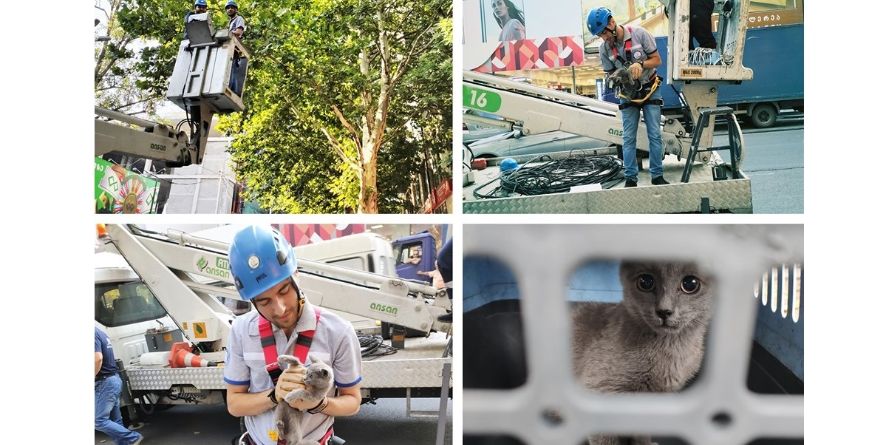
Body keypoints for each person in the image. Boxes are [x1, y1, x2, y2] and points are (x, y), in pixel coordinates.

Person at [225, 226, 362, 445]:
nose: (279, 309)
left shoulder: (338, 331)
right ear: (252, 301)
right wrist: (274, 396)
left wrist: (318, 403)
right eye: (264, 301)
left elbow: (353, 401)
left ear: (295, 275)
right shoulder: (241, 331)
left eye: (283, 291)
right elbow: (234, 403)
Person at [587, 7, 669, 187]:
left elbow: (657, 60)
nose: (604, 38)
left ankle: (657, 176)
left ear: (611, 22)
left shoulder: (640, 34)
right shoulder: (604, 49)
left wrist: (641, 64)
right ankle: (631, 178)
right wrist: (616, 77)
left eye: (604, 33)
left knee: (654, 134)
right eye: (600, 35)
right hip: (627, 93)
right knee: (628, 137)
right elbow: (609, 74)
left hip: (650, 88)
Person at [95, 327, 144, 445]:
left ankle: (133, 437)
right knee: (115, 420)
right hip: (112, 379)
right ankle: (124, 443)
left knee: (98, 420)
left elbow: (98, 358)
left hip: (105, 382)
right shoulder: (100, 332)